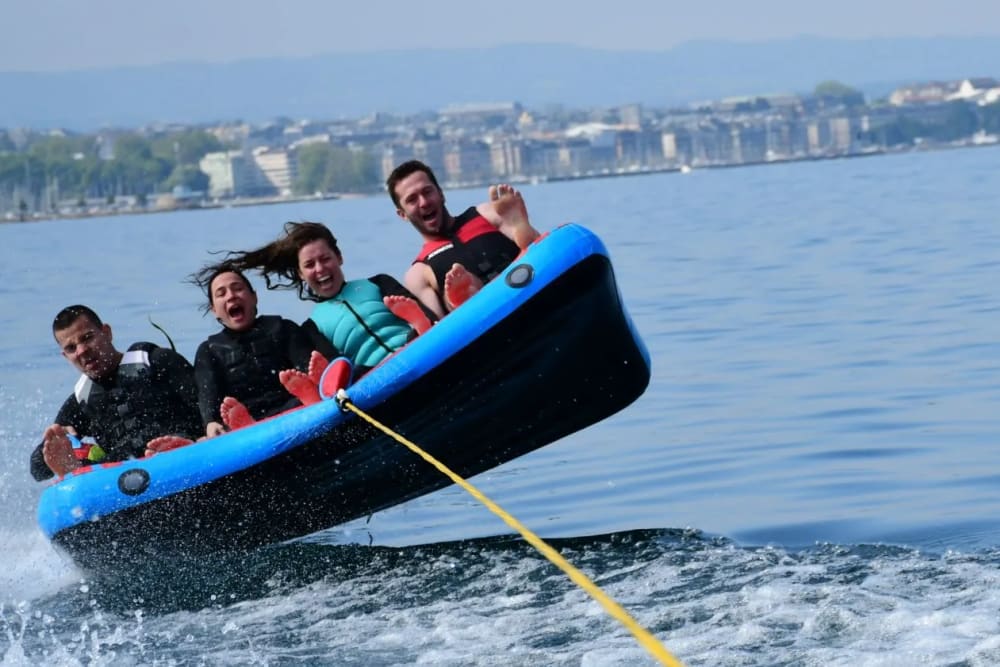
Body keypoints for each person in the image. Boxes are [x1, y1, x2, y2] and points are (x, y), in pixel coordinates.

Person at [218, 221, 437, 383]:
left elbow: (428, 312)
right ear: (301, 274)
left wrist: (419, 330)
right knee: (344, 371)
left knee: (421, 322)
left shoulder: (378, 283)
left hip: (416, 349)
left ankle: (420, 326)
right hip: (376, 377)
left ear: (339, 257)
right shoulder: (312, 327)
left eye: (325, 259)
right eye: (310, 264)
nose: (320, 269)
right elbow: (337, 365)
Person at [29, 305, 203, 481]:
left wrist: (194, 437)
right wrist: (56, 448)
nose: (82, 350)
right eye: (71, 348)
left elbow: (204, 408)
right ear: (66, 356)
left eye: (87, 338)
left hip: (182, 459)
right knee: (91, 466)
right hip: (125, 481)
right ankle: (78, 469)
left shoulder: (156, 361)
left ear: (107, 333)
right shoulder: (81, 401)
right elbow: (37, 470)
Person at [190, 263, 340, 436]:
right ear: (214, 310)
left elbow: (305, 362)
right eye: (221, 294)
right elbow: (208, 392)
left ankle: (313, 393)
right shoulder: (209, 351)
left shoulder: (282, 328)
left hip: (294, 405)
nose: (231, 296)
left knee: (303, 390)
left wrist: (315, 374)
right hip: (248, 418)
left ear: (254, 297)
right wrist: (210, 422)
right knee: (232, 418)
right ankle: (246, 425)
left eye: (237, 288)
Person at [386, 160, 542, 317]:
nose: (424, 202)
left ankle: (521, 230)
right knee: (450, 295)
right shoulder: (418, 272)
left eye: (427, 192)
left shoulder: (484, 214)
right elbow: (439, 331)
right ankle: (463, 297)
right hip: (488, 321)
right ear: (403, 214)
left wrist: (523, 228)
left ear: (441, 194)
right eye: (412, 199)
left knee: (530, 244)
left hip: (526, 284)